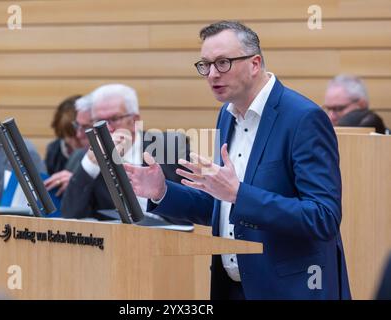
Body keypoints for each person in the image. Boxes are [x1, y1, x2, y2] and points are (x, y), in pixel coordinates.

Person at [125, 21, 351, 299]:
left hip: (291, 289)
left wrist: (240, 194)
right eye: (205, 65)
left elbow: (323, 217)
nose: (211, 74)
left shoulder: (303, 118)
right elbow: (222, 206)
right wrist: (162, 191)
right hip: (234, 287)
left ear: (254, 63)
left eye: (222, 63)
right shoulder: (226, 115)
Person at [61, 84, 190, 223]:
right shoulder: (84, 158)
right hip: (115, 239)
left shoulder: (170, 147)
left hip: (168, 236)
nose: (107, 128)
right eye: (99, 122)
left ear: (134, 120)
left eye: (114, 119)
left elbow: (191, 206)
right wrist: (91, 165)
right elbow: (70, 216)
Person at [45, 95, 82, 175]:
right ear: (61, 133)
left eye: (82, 131)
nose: (76, 141)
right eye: (70, 135)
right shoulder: (54, 150)